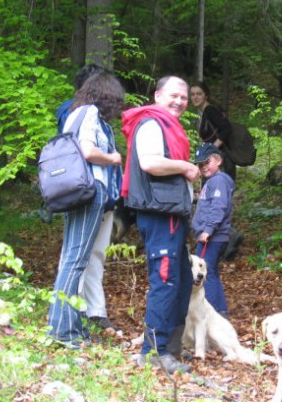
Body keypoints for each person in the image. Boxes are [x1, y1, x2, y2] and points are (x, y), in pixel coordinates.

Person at [121, 75, 200, 374]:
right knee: (165, 280)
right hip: (158, 213)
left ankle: (170, 348)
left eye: (183, 97)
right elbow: (150, 162)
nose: (179, 101)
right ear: (157, 96)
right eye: (173, 95)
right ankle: (153, 352)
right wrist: (187, 167)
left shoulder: (168, 125)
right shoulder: (151, 123)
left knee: (180, 279)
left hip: (171, 212)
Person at [47, 72, 125, 349]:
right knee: (75, 261)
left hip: (75, 193)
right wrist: (113, 158)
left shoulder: (74, 113)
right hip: (91, 192)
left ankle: (67, 325)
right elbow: (88, 151)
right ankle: (62, 330)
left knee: (72, 258)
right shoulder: (90, 113)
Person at [191, 143, 235, 316]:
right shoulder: (213, 182)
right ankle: (220, 310)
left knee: (205, 273)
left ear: (218, 160)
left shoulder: (218, 181)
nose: (203, 167)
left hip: (212, 237)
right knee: (211, 272)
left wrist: (207, 230)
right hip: (211, 236)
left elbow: (218, 207)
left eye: (207, 162)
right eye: (200, 165)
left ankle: (213, 313)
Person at [189, 83, 236, 180]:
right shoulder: (206, 112)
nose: (195, 97)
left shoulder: (210, 110)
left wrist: (213, 148)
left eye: (199, 94)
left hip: (220, 162)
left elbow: (226, 128)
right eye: (192, 94)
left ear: (206, 96)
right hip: (213, 162)